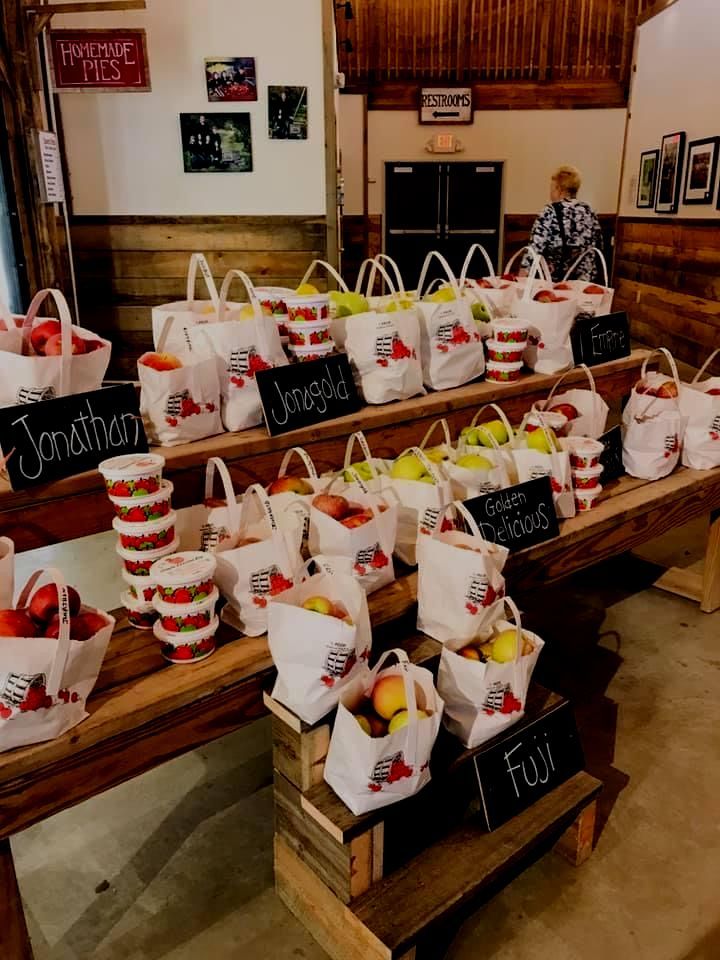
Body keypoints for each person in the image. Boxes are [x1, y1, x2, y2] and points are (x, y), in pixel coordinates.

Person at [521, 166, 604, 282]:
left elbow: (534, 248)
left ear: (559, 189)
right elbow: (598, 245)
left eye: (551, 189)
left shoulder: (550, 211)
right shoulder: (589, 211)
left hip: (557, 283)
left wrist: (522, 276)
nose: (550, 193)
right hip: (584, 283)